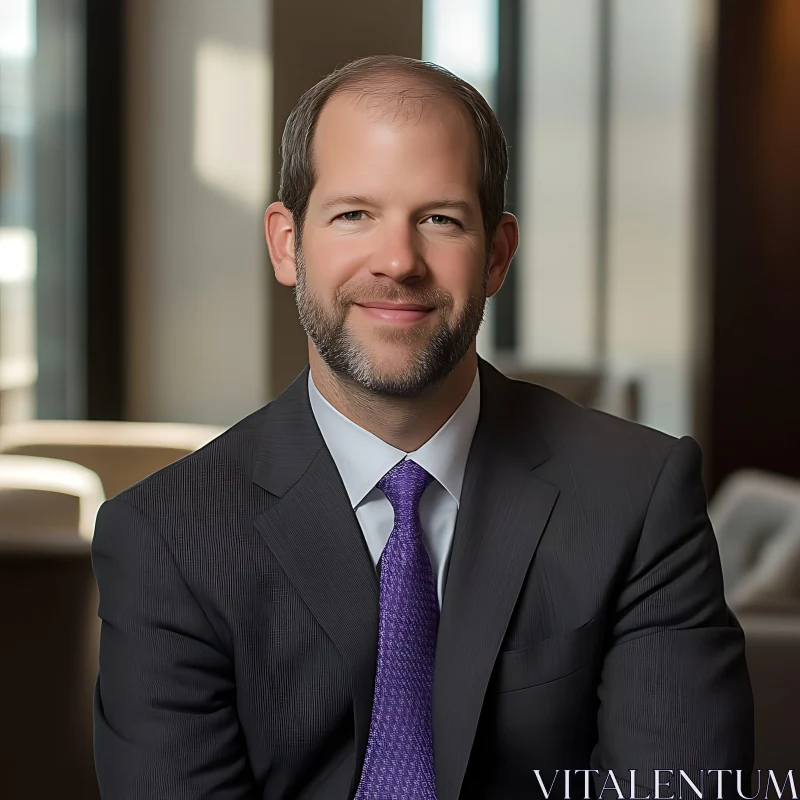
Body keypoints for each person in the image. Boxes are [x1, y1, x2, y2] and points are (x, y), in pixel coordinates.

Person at [91, 55, 753, 799]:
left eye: (439, 219)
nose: (399, 261)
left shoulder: (638, 499)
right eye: (354, 215)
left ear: (497, 254)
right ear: (287, 244)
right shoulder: (168, 537)